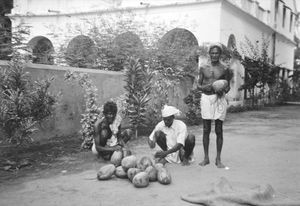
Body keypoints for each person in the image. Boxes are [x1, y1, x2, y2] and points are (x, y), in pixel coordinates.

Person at [197, 43, 231, 168]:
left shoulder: (225, 69)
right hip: (206, 98)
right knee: (206, 129)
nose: (215, 55)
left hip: (219, 99)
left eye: (217, 53)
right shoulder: (203, 67)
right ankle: (206, 158)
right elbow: (198, 85)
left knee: (219, 130)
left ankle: (218, 159)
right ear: (209, 54)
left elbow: (228, 86)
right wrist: (205, 87)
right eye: (213, 53)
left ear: (220, 54)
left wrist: (222, 90)